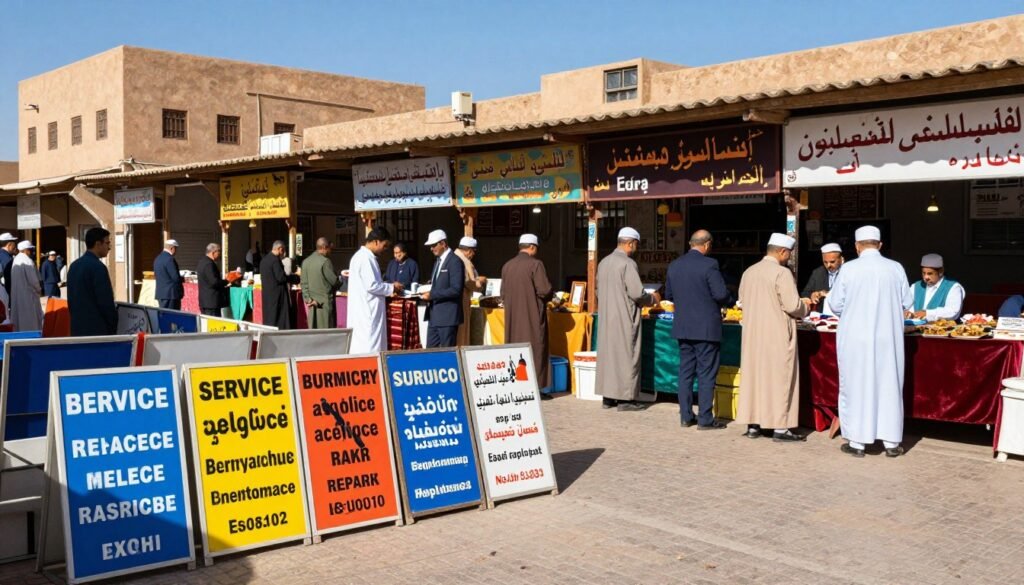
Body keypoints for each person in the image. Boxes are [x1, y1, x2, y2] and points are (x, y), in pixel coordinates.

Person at [828, 225, 914, 457]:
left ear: (857, 247)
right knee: (888, 386)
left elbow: (835, 305)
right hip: (889, 340)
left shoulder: (849, 270)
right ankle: (891, 443)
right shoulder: (895, 268)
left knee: (857, 386)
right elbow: (907, 301)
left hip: (856, 340)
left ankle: (857, 442)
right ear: (880, 245)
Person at [735, 233, 812, 441]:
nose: (788, 258)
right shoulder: (782, 273)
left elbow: (741, 301)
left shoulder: (749, 272)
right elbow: (793, 305)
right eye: (788, 254)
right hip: (777, 334)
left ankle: (754, 424)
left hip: (753, 335)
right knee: (780, 379)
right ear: (782, 252)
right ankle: (780, 427)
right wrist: (806, 306)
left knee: (755, 379)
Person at [664, 230, 732, 430]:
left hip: (683, 327)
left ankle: (685, 416)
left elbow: (669, 294)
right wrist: (730, 299)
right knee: (706, 374)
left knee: (685, 373)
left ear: (690, 243)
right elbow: (720, 294)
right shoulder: (709, 265)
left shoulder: (675, 265)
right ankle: (704, 418)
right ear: (708, 245)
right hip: (706, 329)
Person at [596, 227, 659, 411]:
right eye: (636, 245)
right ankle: (626, 400)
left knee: (609, 357)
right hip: (624, 317)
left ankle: (608, 397)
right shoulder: (627, 264)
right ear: (631, 243)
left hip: (608, 317)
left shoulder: (604, 262)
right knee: (626, 356)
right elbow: (637, 293)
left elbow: (598, 291)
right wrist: (653, 299)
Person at [501, 234, 558, 394]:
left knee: (515, 349)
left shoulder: (507, 266)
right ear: (532, 247)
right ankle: (535, 388)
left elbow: (503, 293)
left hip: (513, 318)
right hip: (532, 316)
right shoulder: (535, 264)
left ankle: (518, 385)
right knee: (535, 349)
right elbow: (544, 290)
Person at [348, 228, 403, 352]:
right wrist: (392, 287)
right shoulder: (365, 259)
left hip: (365, 309)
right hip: (368, 311)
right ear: (377, 242)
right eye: (385, 246)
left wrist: (387, 286)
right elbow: (372, 285)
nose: (385, 250)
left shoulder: (362, 257)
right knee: (370, 346)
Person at [67, 227, 117, 336]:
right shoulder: (98, 267)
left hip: (77, 328)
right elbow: (105, 301)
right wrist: (113, 325)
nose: (109, 247)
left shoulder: (74, 265)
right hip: (97, 330)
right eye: (107, 243)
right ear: (98, 244)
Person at [420, 230, 465, 348]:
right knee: (430, 352)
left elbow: (456, 289)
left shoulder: (455, 261)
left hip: (447, 317)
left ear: (443, 244)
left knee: (447, 353)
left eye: (434, 245)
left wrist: (432, 295)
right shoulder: (438, 261)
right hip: (434, 316)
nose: (431, 248)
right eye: (431, 246)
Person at [906, 254, 965, 322]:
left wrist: (927, 313)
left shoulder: (953, 287)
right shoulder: (915, 286)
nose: (926, 277)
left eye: (930, 273)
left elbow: (953, 311)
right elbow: (908, 306)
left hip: (941, 331)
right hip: (915, 330)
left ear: (941, 272)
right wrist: (907, 313)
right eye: (923, 273)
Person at [301, 237, 341, 329]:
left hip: (312, 303)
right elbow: (334, 281)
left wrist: (309, 300)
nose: (330, 251)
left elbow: (303, 284)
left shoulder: (306, 262)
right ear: (324, 247)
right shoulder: (325, 262)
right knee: (327, 331)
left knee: (314, 330)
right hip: (325, 304)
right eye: (329, 249)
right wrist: (341, 281)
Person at [455, 236, 486, 346]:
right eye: (473, 252)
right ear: (469, 250)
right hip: (461, 299)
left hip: (458, 301)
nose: (473, 255)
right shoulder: (462, 261)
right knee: (461, 334)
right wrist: (480, 282)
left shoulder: (455, 257)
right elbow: (468, 281)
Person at [260, 240, 293, 329]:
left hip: (267, 294)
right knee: (278, 318)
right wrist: (293, 278)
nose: (283, 253)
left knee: (270, 318)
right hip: (277, 295)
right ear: (280, 249)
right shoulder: (275, 260)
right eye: (283, 250)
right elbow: (281, 277)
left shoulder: (264, 260)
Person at [801, 242, 843, 312]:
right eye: (825, 262)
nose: (828, 265)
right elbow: (805, 293)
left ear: (841, 259)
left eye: (832, 262)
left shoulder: (847, 272)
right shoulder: (817, 273)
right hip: (822, 317)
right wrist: (812, 295)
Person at [11, 241, 43, 331]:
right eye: (30, 250)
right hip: (29, 297)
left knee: (19, 321)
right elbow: (34, 281)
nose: (32, 252)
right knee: (30, 322)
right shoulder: (28, 261)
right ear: (26, 250)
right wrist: (39, 289)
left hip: (18, 296)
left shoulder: (16, 259)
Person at [197, 243, 229, 317]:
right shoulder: (209, 264)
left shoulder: (202, 261)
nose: (219, 254)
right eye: (218, 252)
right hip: (211, 302)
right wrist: (226, 281)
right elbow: (214, 282)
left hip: (205, 301)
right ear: (213, 252)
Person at [153, 239, 183, 310]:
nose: (176, 251)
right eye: (176, 249)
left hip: (161, 294)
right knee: (172, 316)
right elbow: (175, 277)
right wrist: (183, 279)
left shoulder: (157, 258)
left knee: (163, 315)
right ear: (172, 248)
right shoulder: (170, 259)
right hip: (171, 295)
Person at [0, 232, 17, 298]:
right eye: (14, 244)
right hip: (6, 293)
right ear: (9, 244)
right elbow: (9, 278)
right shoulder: (7, 258)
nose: (15, 246)